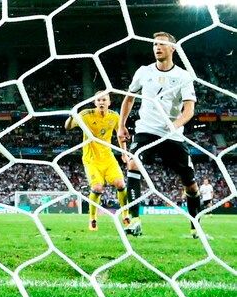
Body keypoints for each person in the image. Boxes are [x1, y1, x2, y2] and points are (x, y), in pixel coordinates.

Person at [116, 32, 200, 238]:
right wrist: (121, 125)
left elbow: (189, 109)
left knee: (190, 184)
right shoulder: (144, 72)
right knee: (133, 164)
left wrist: (175, 125)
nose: (157, 47)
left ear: (172, 48)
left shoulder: (183, 76)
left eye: (162, 44)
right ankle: (135, 221)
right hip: (146, 130)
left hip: (172, 135)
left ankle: (195, 226)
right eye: (154, 44)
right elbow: (129, 98)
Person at [64, 90, 127, 231]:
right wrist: (71, 116)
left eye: (104, 100)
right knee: (97, 187)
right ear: (94, 102)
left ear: (109, 102)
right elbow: (68, 127)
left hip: (108, 158)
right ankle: (92, 219)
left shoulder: (114, 116)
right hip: (91, 159)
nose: (101, 102)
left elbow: (121, 134)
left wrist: (124, 153)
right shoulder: (86, 115)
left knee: (120, 184)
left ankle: (126, 215)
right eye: (99, 100)